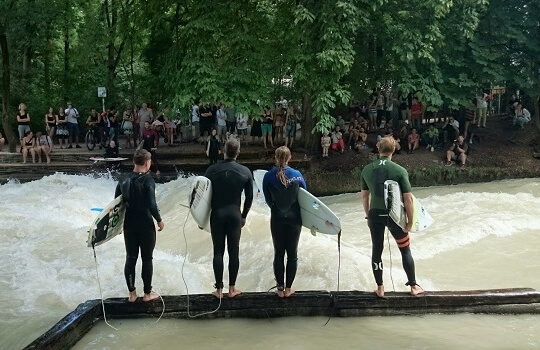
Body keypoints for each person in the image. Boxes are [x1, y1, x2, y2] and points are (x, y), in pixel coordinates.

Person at [360, 136, 424, 298]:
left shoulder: (366, 170)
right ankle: (413, 286)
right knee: (405, 249)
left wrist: (368, 216)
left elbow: (364, 197)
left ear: (379, 149)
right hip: (394, 216)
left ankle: (380, 288)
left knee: (377, 249)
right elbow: (408, 199)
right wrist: (409, 222)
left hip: (375, 215)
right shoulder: (400, 171)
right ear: (394, 150)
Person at [203, 138, 253, 299]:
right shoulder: (245, 172)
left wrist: (201, 218)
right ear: (239, 152)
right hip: (234, 215)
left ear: (223, 151)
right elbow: (250, 198)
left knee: (218, 252)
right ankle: (231, 290)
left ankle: (218, 290)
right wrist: (244, 215)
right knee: (233, 252)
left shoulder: (211, 170)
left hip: (217, 215)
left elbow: (202, 195)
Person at [115, 149, 165, 302]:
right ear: (147, 162)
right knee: (147, 258)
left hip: (129, 224)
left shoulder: (123, 180)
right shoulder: (148, 180)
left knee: (130, 258)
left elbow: (116, 205)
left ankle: (132, 294)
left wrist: (115, 227)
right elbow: (151, 203)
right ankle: (147, 295)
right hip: (145, 223)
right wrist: (159, 220)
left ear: (134, 162)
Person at [262, 146, 306, 298]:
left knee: (278, 254)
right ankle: (288, 289)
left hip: (277, 218)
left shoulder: (268, 176)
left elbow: (268, 200)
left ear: (275, 158)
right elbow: (304, 197)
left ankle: (280, 290)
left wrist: (278, 210)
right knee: (292, 255)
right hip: (295, 219)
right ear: (290, 158)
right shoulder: (297, 175)